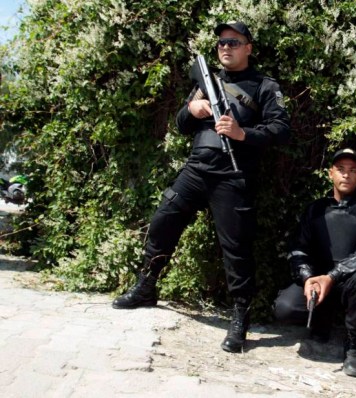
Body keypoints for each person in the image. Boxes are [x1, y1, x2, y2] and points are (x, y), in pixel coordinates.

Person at [112, 21, 290, 354]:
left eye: (234, 42)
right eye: (222, 42)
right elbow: (181, 125)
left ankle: (240, 319)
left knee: (236, 249)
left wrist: (243, 134)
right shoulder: (208, 81)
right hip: (196, 170)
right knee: (163, 220)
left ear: (248, 48)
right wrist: (191, 109)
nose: (226, 47)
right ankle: (147, 286)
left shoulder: (264, 86)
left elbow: (281, 130)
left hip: (233, 176)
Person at [274, 148, 356, 378]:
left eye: (352, 170)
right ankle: (321, 319)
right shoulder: (315, 209)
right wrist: (308, 278)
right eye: (340, 170)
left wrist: (332, 276)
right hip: (319, 283)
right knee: (284, 308)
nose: (346, 175)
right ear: (330, 174)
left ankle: (353, 344)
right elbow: (298, 249)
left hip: (352, 283)